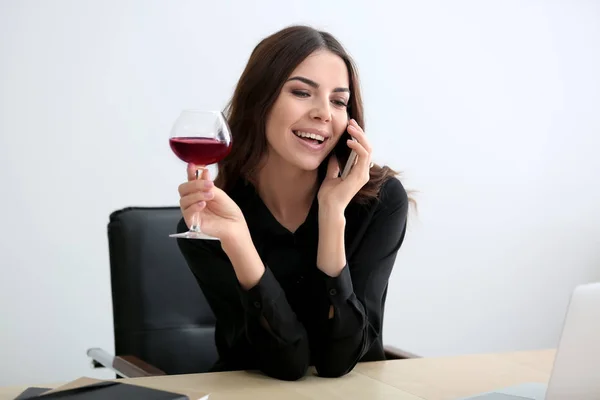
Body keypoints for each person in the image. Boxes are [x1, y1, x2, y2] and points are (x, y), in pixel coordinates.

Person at [175, 25, 411, 381]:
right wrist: (239, 242)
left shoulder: (379, 203)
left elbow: (339, 361)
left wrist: (332, 215)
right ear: (260, 100)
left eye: (338, 101)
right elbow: (284, 363)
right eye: (302, 92)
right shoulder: (210, 226)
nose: (324, 113)